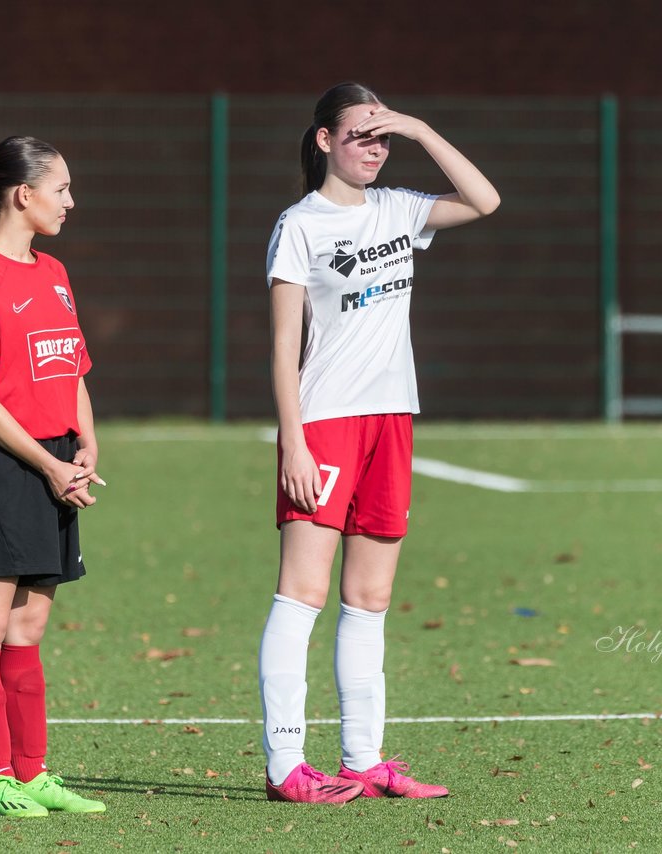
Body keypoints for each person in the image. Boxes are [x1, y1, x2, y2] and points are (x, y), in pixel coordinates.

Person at [259, 82, 500, 804]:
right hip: (326, 421)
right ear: (325, 140)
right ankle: (285, 767)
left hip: (393, 417)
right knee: (302, 592)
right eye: (362, 134)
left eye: (383, 136)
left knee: (369, 596)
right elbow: (281, 344)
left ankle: (364, 760)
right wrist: (293, 442)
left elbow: (485, 201)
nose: (375, 147)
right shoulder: (299, 223)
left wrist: (422, 130)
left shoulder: (399, 208)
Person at [0, 136, 107, 818]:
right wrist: (46, 465)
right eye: (61, 189)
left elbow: (70, 369)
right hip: (2, 465)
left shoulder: (55, 272)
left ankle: (34, 774)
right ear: (23, 195)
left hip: (56, 459)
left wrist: (86, 442)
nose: (71, 201)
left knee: (30, 628)